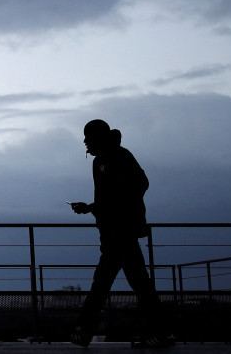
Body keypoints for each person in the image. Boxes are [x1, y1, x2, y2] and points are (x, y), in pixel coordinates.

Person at [69, 119, 172, 348]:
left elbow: (136, 186)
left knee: (105, 283)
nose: (85, 142)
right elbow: (114, 196)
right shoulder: (102, 161)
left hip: (120, 232)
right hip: (114, 232)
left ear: (98, 138)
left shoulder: (118, 157)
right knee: (137, 284)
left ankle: (84, 330)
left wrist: (99, 208)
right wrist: (93, 208)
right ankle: (159, 331)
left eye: (88, 137)